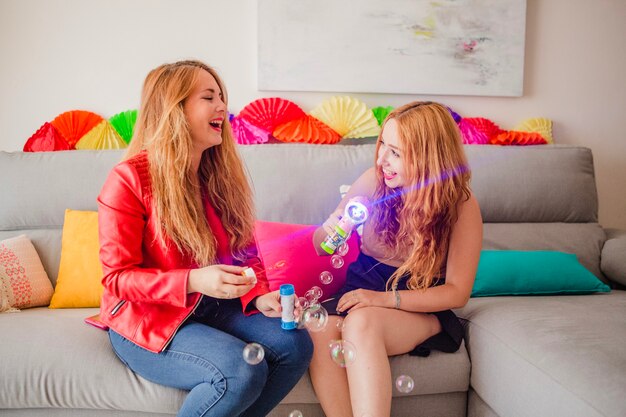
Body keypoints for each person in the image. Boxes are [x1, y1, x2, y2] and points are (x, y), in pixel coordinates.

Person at [97, 60, 313, 417]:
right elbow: (116, 278)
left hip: (212, 308)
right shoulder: (128, 179)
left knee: (294, 344)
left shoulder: (220, 176)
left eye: (222, 97)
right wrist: (194, 279)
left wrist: (259, 296)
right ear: (174, 109)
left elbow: (247, 256)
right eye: (208, 97)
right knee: (239, 371)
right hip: (149, 318)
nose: (222, 107)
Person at [310, 101, 483, 417]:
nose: (382, 161)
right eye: (382, 147)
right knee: (318, 330)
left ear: (428, 159)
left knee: (361, 323)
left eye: (396, 153)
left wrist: (381, 300)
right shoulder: (372, 181)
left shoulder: (460, 206)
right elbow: (322, 247)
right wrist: (336, 225)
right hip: (359, 288)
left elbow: (458, 293)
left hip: (417, 301)